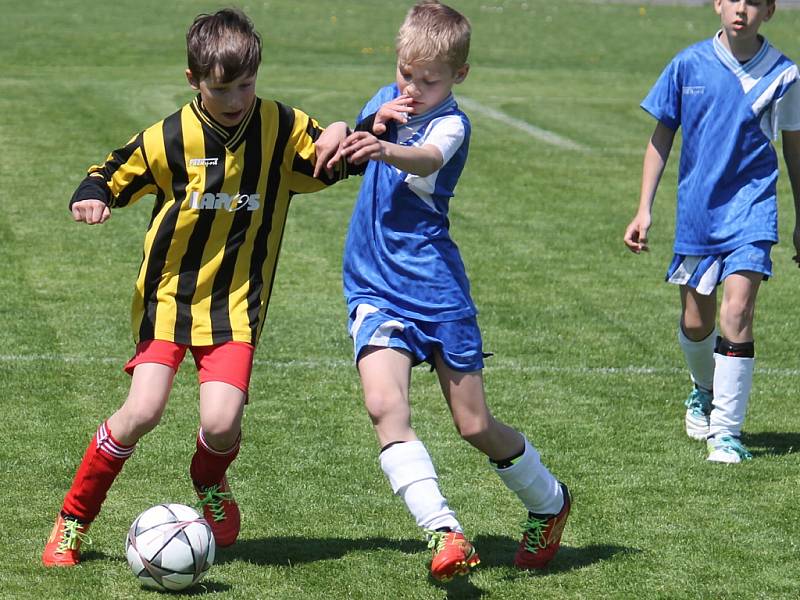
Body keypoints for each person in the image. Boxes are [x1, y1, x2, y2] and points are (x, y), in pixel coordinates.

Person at [42, 8, 352, 567]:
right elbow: (112, 169)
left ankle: (208, 478)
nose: (236, 98)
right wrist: (91, 195)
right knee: (142, 412)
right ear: (194, 81)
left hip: (237, 304)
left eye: (246, 84)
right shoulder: (169, 137)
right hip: (168, 299)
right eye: (221, 88)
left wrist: (347, 132)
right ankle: (72, 521)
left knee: (221, 421)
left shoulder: (280, 126)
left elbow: (331, 158)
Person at [315, 0, 570, 582]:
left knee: (475, 425)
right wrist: (349, 131)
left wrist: (384, 144)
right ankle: (445, 531)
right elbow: (349, 153)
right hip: (374, 286)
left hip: (436, 289)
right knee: (385, 407)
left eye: (429, 80)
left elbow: (424, 155)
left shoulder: (452, 124)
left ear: (459, 76)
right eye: (407, 74)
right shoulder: (387, 97)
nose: (414, 87)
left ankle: (550, 503)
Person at [624, 0, 800, 463]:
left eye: (755, 2)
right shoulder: (687, 64)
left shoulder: (784, 75)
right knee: (697, 321)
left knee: (737, 314)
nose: (742, 9)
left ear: (770, 10)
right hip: (699, 215)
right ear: (718, 5)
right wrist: (643, 209)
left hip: (752, 213)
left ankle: (726, 432)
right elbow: (662, 137)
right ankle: (703, 388)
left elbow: (794, 152)